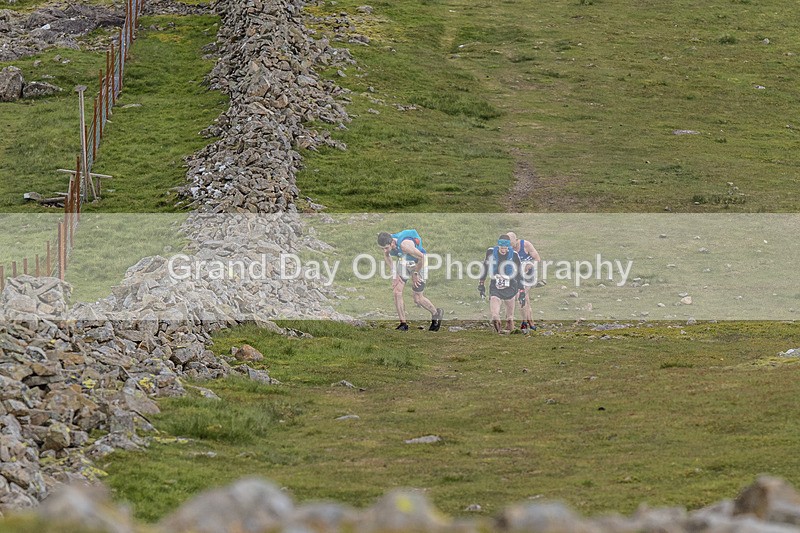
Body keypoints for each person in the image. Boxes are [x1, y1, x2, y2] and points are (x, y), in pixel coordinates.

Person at [377, 230, 444, 331]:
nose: (385, 250)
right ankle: (403, 324)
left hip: (419, 262)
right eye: (382, 248)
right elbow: (387, 256)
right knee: (397, 291)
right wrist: (394, 273)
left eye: (386, 248)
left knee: (418, 298)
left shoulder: (404, 245)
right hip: (405, 262)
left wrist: (415, 274)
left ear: (392, 243)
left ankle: (436, 314)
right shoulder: (387, 243)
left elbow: (422, 257)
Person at [478, 234, 525, 333]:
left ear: (509, 247)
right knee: (495, 315)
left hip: (510, 285)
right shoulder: (491, 252)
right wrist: (481, 284)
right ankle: (498, 333)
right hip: (495, 285)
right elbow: (485, 267)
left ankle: (510, 337)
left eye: (506, 248)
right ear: (498, 246)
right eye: (501, 248)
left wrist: (522, 291)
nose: (503, 250)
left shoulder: (514, 255)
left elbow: (520, 273)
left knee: (510, 318)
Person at [507, 231, 542, 332]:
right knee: (525, 300)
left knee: (521, 296)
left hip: (528, 276)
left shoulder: (525, 245)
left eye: (511, 244)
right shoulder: (508, 249)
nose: (510, 247)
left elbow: (537, 259)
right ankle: (529, 322)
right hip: (517, 277)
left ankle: (526, 322)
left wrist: (529, 265)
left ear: (515, 240)